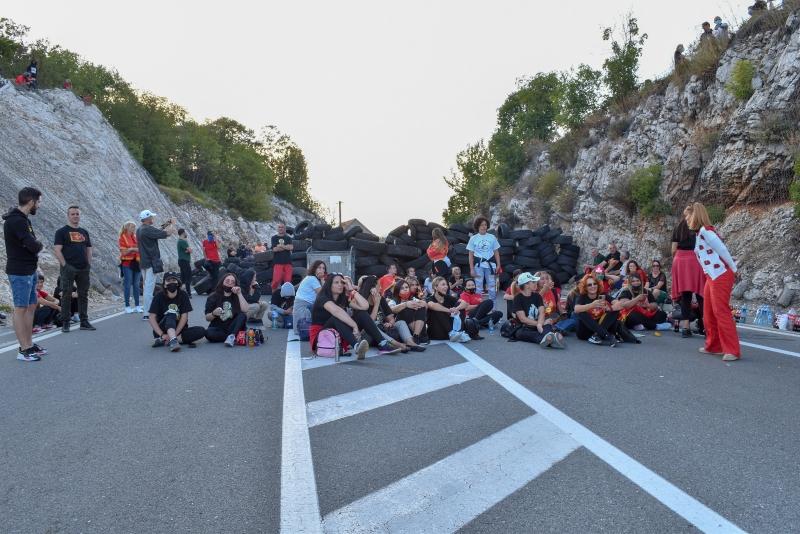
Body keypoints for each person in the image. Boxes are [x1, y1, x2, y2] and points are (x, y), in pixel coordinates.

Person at [686, 202, 740, 361]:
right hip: (712, 276)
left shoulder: (706, 231)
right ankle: (714, 346)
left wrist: (734, 269)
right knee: (708, 312)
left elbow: (722, 249)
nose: (686, 220)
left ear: (695, 215)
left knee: (721, 311)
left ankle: (732, 350)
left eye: (688, 216)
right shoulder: (699, 234)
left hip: (721, 274)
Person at [310, 273, 398, 359]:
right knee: (336, 318)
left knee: (361, 313)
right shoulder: (322, 298)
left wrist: (352, 290)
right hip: (321, 337)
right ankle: (357, 346)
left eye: (342, 282)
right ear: (329, 285)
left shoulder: (343, 299)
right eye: (336, 283)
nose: (340, 285)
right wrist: (354, 325)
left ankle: (382, 343)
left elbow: (365, 306)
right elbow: (337, 311)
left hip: (338, 334)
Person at [3, 187, 46, 361]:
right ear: (31, 202)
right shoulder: (17, 221)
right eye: (39, 202)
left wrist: (36, 246)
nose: (40, 205)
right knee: (20, 309)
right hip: (20, 271)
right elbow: (32, 245)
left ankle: (29, 343)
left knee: (30, 307)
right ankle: (23, 349)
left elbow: (31, 244)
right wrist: (38, 245)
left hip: (29, 269)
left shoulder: (23, 220)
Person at [53, 206, 94, 332]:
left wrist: (88, 264)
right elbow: (57, 250)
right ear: (68, 216)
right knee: (66, 294)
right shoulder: (61, 232)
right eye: (73, 214)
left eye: (77, 214)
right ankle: (65, 322)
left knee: (83, 294)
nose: (75, 216)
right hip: (68, 268)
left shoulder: (84, 232)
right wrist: (65, 265)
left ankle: (84, 321)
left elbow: (89, 249)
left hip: (83, 268)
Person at [573, 273, 638, 346]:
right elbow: (576, 309)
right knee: (581, 313)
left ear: (598, 285)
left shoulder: (602, 294)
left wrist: (609, 308)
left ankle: (597, 335)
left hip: (599, 328)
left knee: (614, 311)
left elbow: (619, 304)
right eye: (589, 285)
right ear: (585, 287)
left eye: (595, 284)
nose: (593, 286)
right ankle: (606, 336)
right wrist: (591, 305)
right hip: (584, 332)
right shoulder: (582, 296)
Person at [148, 272, 206, 351]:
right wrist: (162, 334)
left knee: (201, 331)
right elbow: (151, 317)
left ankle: (172, 340)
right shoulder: (158, 296)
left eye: (174, 280)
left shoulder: (183, 295)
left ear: (178, 283)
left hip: (179, 330)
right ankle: (170, 340)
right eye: (168, 280)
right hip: (163, 330)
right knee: (171, 312)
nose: (171, 282)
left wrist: (174, 335)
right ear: (164, 285)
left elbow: (184, 317)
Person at [671, 206, 706, 337]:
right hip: (695, 259)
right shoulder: (699, 227)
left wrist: (677, 259)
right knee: (700, 294)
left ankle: (685, 328)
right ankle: (706, 326)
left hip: (679, 260)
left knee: (685, 294)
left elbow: (673, 249)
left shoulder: (678, 227)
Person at [137, 210, 176, 321]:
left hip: (144, 262)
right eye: (152, 217)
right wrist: (172, 224)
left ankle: (146, 311)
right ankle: (147, 313)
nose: (153, 219)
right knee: (149, 288)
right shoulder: (147, 229)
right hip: (150, 262)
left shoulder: (140, 229)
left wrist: (167, 223)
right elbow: (166, 234)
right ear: (147, 219)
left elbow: (157, 231)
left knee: (146, 287)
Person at [358, 275, 413, 353]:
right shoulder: (362, 302)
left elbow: (391, 318)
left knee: (400, 322)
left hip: (383, 331)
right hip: (368, 334)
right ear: (371, 289)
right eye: (379, 286)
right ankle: (395, 344)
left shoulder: (381, 299)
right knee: (374, 324)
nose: (380, 288)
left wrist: (390, 323)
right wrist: (376, 304)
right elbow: (369, 323)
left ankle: (410, 342)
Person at [509, 272, 564, 347]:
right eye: (533, 282)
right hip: (525, 327)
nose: (536, 283)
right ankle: (549, 339)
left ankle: (549, 339)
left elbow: (542, 312)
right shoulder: (518, 298)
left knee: (548, 324)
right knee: (520, 333)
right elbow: (523, 319)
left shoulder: (537, 296)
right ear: (526, 285)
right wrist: (539, 324)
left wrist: (540, 324)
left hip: (538, 324)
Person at [204, 273, 250, 347]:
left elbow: (245, 309)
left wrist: (239, 294)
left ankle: (232, 336)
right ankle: (233, 336)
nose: (229, 283)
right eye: (227, 281)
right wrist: (213, 313)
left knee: (242, 315)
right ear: (222, 282)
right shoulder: (213, 296)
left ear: (235, 285)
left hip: (233, 326)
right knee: (208, 333)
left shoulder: (237, 295)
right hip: (218, 328)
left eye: (232, 282)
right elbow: (207, 318)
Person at [467, 216, 501, 307]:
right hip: (479, 266)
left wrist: (498, 265)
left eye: (485, 224)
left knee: (492, 287)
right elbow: (470, 255)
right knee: (478, 287)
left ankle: (493, 308)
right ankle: (479, 308)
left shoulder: (492, 237)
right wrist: (471, 269)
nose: (484, 226)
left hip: (490, 265)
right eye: (481, 225)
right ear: (478, 226)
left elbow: (496, 252)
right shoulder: (473, 238)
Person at [425, 276, 470, 342]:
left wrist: (456, 308)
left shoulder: (448, 297)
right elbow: (432, 305)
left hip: (449, 331)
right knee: (438, 309)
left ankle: (458, 333)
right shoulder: (429, 298)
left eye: (446, 285)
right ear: (435, 287)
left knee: (460, 307)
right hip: (437, 332)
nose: (446, 287)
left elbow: (465, 303)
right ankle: (453, 334)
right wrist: (449, 310)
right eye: (443, 285)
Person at [389, 279, 429, 345]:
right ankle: (421, 336)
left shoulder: (413, 298)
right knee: (405, 309)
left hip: (415, 327)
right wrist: (405, 304)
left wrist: (422, 302)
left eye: (406, 287)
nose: (405, 289)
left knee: (421, 307)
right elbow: (390, 309)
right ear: (397, 290)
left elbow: (426, 306)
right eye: (402, 288)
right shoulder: (393, 301)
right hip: (402, 327)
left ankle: (416, 336)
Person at [294, 260, 326, 333]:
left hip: (306, 306)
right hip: (303, 306)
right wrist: (322, 279)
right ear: (314, 269)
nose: (322, 270)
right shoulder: (312, 279)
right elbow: (323, 294)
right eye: (319, 268)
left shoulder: (312, 278)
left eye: (323, 268)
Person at [119, 221, 142, 313]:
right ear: (127, 227)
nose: (134, 228)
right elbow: (123, 252)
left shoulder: (135, 237)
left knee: (136, 285)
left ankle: (137, 306)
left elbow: (141, 249)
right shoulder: (122, 237)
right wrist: (133, 249)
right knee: (127, 285)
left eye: (134, 227)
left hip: (137, 263)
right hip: (127, 264)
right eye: (132, 226)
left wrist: (133, 249)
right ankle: (127, 306)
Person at [270, 223, 294, 292]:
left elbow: (291, 247)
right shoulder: (274, 238)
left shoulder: (288, 238)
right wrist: (286, 247)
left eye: (282, 227)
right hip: (278, 263)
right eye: (279, 227)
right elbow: (274, 249)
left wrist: (281, 246)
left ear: (285, 229)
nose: (281, 228)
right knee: (276, 281)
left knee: (287, 282)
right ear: (277, 229)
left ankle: (286, 298)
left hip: (288, 263)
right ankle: (273, 297)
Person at [177, 229, 193, 298]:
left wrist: (187, 251)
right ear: (183, 233)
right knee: (188, 277)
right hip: (185, 261)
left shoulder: (179, 241)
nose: (186, 234)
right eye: (185, 232)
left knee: (183, 277)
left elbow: (187, 250)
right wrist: (188, 250)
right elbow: (190, 250)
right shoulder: (183, 241)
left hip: (181, 261)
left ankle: (180, 292)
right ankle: (188, 293)